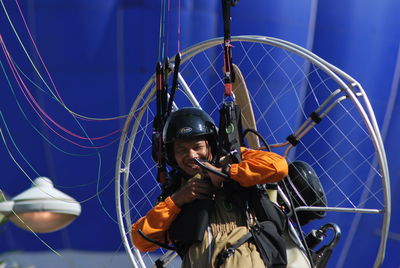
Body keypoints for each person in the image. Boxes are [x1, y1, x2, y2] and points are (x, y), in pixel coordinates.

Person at [132, 107, 289, 268]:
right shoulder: (175, 194)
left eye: (197, 147)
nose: (192, 155)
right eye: (182, 150)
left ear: (210, 145)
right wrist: (178, 200)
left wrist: (226, 172)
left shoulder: (234, 159)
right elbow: (140, 240)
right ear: (172, 155)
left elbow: (279, 166)